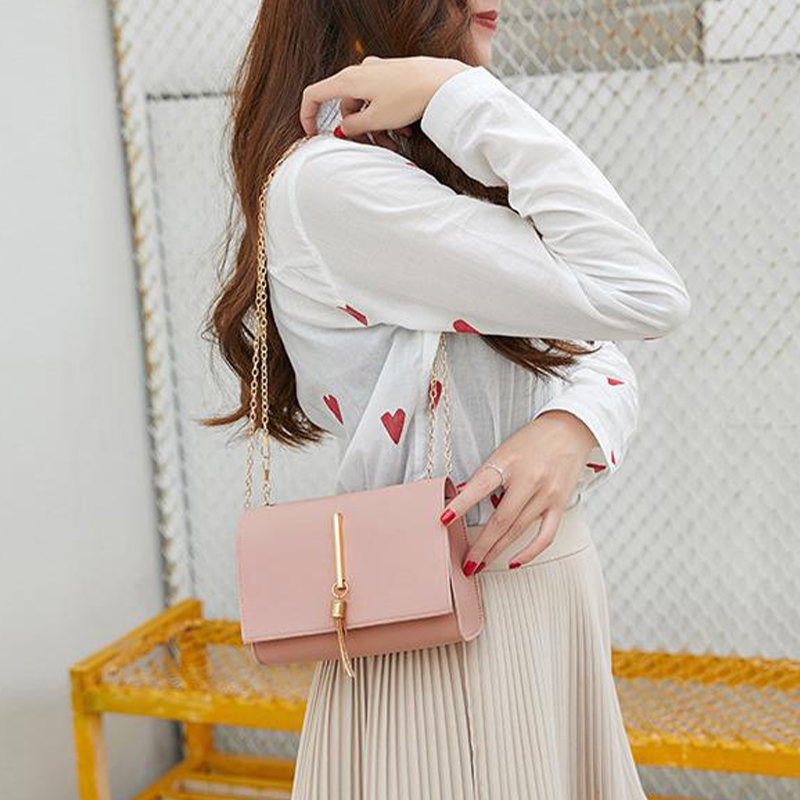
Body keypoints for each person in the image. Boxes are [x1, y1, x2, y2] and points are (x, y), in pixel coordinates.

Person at [203, 1, 691, 797]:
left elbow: (597, 349)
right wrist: (456, 92)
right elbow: (644, 293)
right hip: (451, 610)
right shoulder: (335, 184)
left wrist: (570, 425)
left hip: (537, 589)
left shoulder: (415, 172)